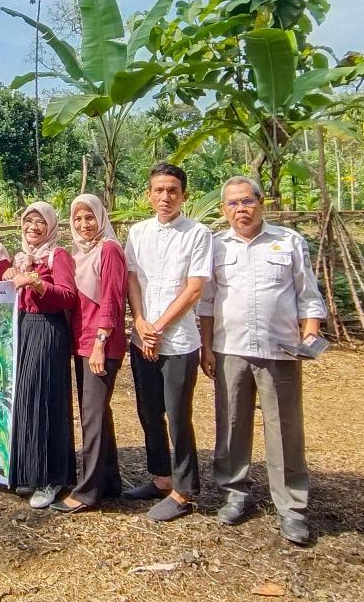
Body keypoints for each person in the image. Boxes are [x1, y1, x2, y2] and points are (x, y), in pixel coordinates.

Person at [199, 176, 327, 545]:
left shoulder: (288, 241)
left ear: (261, 202)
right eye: (233, 204)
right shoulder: (217, 246)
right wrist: (206, 347)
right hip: (231, 348)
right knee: (232, 422)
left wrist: (310, 334)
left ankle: (291, 507)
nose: (241, 209)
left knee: (284, 428)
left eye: (247, 201)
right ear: (224, 210)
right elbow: (207, 302)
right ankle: (235, 491)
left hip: (280, 350)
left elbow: (308, 295)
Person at [123, 162, 213, 522]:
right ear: (148, 195)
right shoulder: (138, 233)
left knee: (178, 414)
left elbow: (194, 290)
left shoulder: (198, 233)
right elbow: (132, 281)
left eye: (172, 191)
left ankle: (185, 490)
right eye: (159, 190)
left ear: (184, 195)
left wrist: (157, 327)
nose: (165, 197)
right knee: (149, 412)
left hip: (178, 342)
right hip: (142, 337)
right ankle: (160, 478)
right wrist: (141, 322)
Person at [51, 194, 127, 514]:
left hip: (100, 344)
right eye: (78, 218)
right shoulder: (80, 254)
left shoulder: (108, 249)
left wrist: (99, 342)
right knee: (98, 414)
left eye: (89, 218)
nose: (84, 225)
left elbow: (112, 299)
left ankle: (88, 492)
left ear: (101, 218)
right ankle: (110, 481)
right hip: (83, 343)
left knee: (92, 418)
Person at [4, 201, 77, 509]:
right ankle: (30, 472)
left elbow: (69, 296)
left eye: (40, 223)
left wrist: (37, 282)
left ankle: (52, 477)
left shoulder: (57, 255)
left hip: (48, 328)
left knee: (45, 398)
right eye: (28, 221)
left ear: (51, 226)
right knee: (26, 398)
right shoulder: (22, 257)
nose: (32, 227)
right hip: (24, 327)